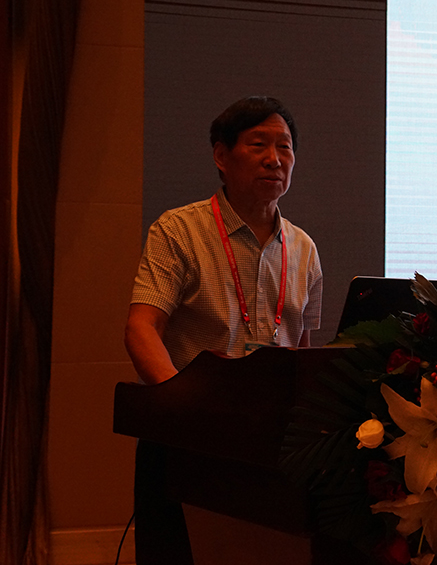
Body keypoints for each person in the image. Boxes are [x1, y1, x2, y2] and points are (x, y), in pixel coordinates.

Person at [124, 96, 323, 564]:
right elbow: (141, 328)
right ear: (221, 155)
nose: (275, 159)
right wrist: (182, 408)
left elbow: (304, 350)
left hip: (271, 445)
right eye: (258, 144)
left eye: (285, 147)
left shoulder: (304, 250)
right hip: (188, 437)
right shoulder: (178, 231)